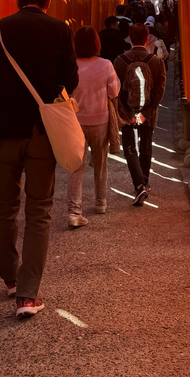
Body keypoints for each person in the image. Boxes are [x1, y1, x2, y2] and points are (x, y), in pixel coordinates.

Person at [0, 0, 78, 319]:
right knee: (39, 209)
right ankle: (28, 296)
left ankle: (10, 278)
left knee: (4, 207)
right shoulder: (60, 30)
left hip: (4, 131)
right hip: (43, 132)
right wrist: (49, 89)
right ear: (48, 1)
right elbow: (71, 79)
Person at [66, 26, 120, 227]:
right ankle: (100, 203)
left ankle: (74, 211)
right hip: (100, 120)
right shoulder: (106, 65)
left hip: (76, 122)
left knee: (76, 167)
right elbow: (113, 92)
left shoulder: (71, 66)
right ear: (97, 44)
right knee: (101, 163)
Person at [114, 23, 166, 206]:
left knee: (129, 148)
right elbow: (159, 91)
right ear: (147, 38)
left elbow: (115, 91)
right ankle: (145, 181)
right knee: (146, 144)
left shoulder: (120, 61)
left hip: (127, 110)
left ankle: (138, 185)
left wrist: (126, 113)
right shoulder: (156, 62)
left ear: (129, 37)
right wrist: (147, 113)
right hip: (149, 110)